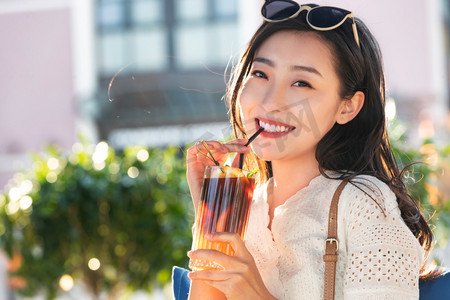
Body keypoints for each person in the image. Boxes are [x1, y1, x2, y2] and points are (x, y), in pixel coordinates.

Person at [185, 2, 432, 299]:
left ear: (347, 106)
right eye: (261, 74)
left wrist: (255, 294)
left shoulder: (363, 204)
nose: (270, 101)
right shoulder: (247, 206)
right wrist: (212, 214)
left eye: (301, 83)